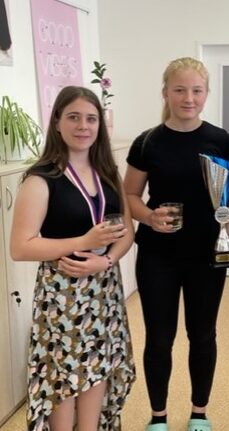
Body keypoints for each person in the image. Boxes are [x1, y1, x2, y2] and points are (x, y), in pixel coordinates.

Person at [123, 57, 229, 431]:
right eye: (179, 90)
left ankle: (198, 413)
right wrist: (149, 217)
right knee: (159, 338)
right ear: (165, 93)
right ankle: (158, 417)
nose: (188, 98)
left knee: (202, 335)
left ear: (206, 94)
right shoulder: (147, 142)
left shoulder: (220, 139)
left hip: (206, 255)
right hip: (158, 256)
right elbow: (129, 195)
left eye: (196, 90)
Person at [10, 85, 136, 431]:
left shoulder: (107, 173)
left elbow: (127, 231)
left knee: (98, 366)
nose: (83, 126)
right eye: (74, 117)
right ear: (57, 122)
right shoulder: (41, 179)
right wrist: (84, 241)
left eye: (91, 119)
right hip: (63, 292)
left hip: (104, 285)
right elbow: (21, 247)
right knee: (63, 374)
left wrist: (106, 261)